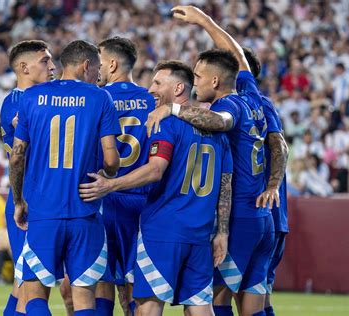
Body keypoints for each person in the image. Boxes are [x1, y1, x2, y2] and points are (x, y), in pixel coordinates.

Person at [146, 6, 275, 316]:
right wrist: (204, 21)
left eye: (199, 76)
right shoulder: (252, 95)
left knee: (213, 303)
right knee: (254, 306)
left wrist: (173, 110)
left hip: (239, 217)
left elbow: (220, 122)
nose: (194, 82)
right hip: (262, 221)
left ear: (216, 81)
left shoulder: (229, 104)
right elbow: (239, 58)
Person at [79, 60, 233, 316]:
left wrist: (110, 185)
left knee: (148, 308)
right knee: (200, 309)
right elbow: (225, 185)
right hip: (200, 233)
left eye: (158, 83)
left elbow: (155, 170)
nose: (150, 88)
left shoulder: (167, 123)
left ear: (179, 89)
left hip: (163, 230)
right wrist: (222, 232)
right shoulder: (219, 133)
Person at [9, 40, 120, 316]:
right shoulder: (99, 97)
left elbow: (17, 156)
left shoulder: (31, 97)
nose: (98, 75)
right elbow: (111, 160)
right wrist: (107, 177)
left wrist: (19, 200)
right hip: (84, 211)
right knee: (83, 297)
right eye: (97, 68)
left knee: (34, 293)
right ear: (86, 66)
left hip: (43, 212)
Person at [95, 36, 155, 316]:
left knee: (99, 280)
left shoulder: (96, 98)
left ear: (113, 63)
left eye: (100, 60)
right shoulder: (152, 101)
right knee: (133, 286)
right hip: (142, 201)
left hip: (104, 197)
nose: (97, 67)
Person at [0, 39, 56, 316]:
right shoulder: (16, 103)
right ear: (23, 67)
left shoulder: (41, 97)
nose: (53, 66)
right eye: (45, 61)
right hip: (27, 201)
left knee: (22, 284)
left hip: (42, 198)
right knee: (29, 288)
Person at [243, 48, 289, 316]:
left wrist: (272, 187)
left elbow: (280, 146)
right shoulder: (248, 106)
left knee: (230, 295)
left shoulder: (259, 104)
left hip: (262, 213)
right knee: (256, 297)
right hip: (265, 215)